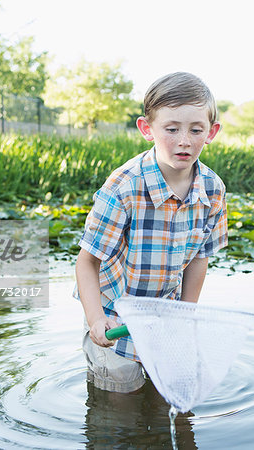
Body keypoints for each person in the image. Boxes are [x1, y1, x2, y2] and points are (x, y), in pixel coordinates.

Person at [74, 72, 228, 394]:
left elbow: (199, 258)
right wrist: (96, 319)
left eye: (195, 129)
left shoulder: (212, 190)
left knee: (167, 400)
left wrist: (185, 316)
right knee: (119, 404)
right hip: (115, 320)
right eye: (171, 129)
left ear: (211, 132)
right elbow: (87, 262)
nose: (184, 140)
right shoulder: (125, 186)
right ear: (148, 129)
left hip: (164, 322)